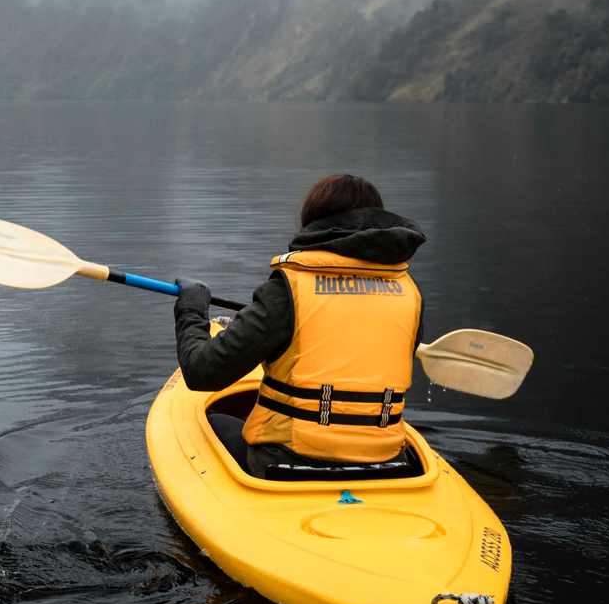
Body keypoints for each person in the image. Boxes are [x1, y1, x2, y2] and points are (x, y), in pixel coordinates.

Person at [172, 174, 425, 477]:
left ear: (312, 222)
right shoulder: (409, 293)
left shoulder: (289, 288)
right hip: (387, 463)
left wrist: (192, 307)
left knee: (212, 422)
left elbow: (202, 372)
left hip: (287, 463)